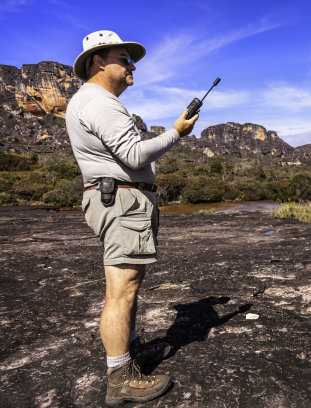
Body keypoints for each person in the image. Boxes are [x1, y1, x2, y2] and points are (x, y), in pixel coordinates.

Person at [65, 30, 198, 406]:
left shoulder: (90, 101)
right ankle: (120, 378)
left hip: (118, 200)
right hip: (121, 203)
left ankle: (132, 355)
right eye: (124, 58)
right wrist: (177, 133)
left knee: (128, 286)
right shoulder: (100, 102)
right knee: (121, 290)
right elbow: (136, 156)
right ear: (98, 61)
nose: (131, 65)